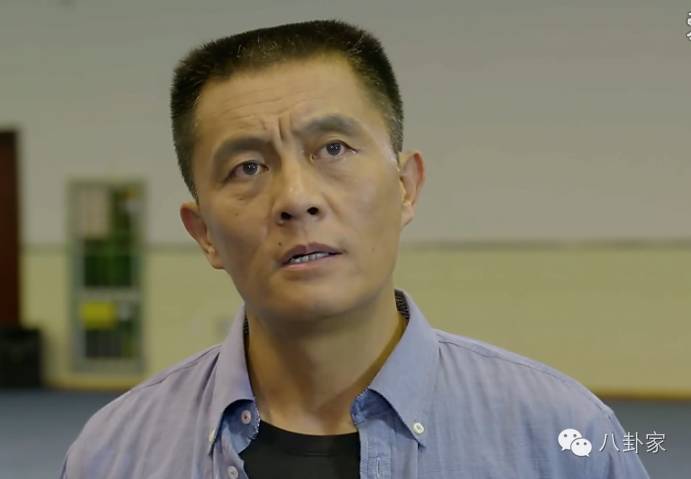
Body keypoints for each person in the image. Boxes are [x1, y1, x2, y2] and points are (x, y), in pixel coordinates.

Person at [60, 19, 650, 478]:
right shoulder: (114, 455)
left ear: (405, 187)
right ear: (204, 233)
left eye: (333, 149)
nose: (296, 199)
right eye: (247, 167)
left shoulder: (561, 437)